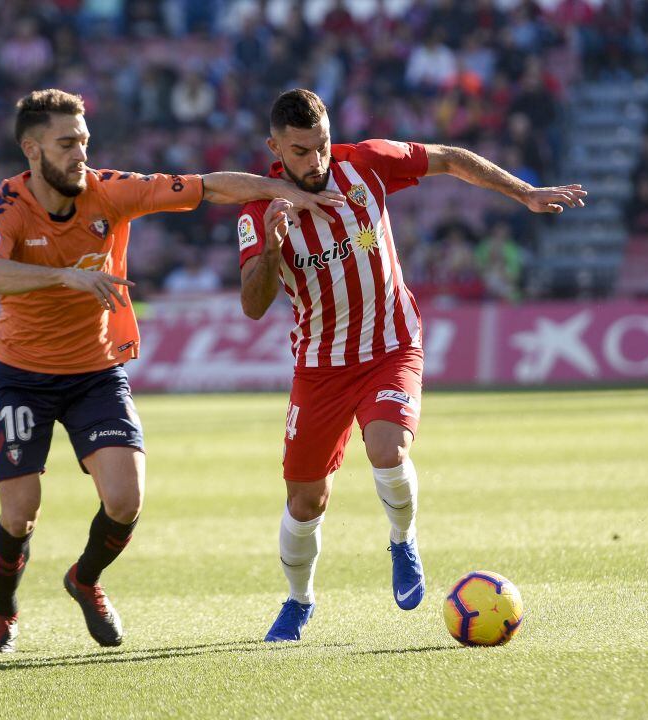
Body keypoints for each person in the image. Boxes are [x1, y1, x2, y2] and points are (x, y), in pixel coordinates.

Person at [0, 89, 343, 652]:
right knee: (19, 515)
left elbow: (208, 185)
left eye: (84, 142)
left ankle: (84, 580)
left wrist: (283, 189)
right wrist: (65, 278)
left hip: (96, 372)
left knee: (125, 501)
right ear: (31, 149)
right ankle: (4, 616)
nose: (80, 155)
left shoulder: (110, 192)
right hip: (21, 374)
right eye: (66, 144)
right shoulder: (11, 204)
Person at [237, 89, 586, 642]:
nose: (315, 161)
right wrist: (275, 248)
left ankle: (402, 540)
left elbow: (448, 157)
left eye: (322, 146)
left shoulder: (366, 164)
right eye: (301, 151)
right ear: (275, 147)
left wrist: (524, 193)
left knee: (387, 450)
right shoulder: (258, 211)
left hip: (391, 343)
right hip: (320, 367)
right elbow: (253, 305)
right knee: (305, 502)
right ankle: (298, 602)